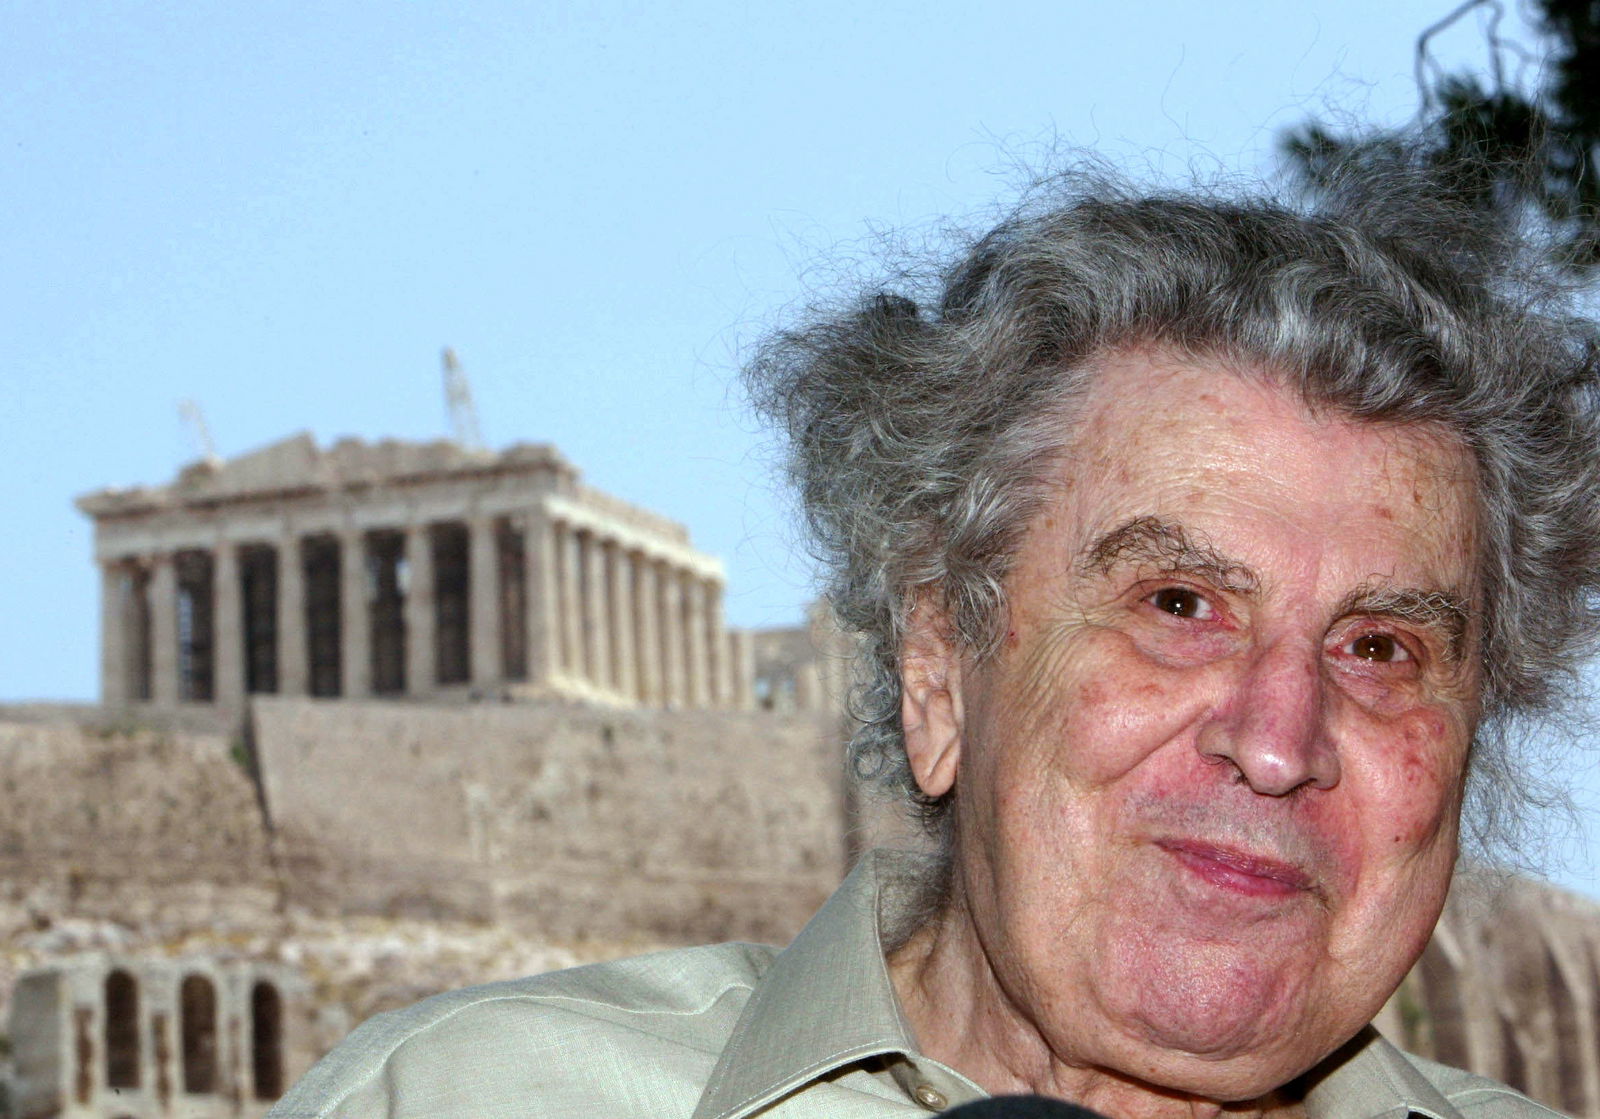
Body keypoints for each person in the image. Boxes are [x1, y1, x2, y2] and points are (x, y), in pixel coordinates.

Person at [268, 162, 1600, 1119]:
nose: (1277, 740)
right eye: (1179, 606)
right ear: (936, 671)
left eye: (1380, 649)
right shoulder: (463, 1099)